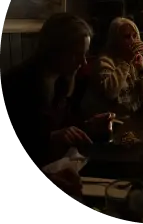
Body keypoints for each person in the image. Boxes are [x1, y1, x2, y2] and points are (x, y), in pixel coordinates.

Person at [0, 14, 114, 204]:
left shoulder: (62, 80)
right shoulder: (17, 85)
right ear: (54, 50)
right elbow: (12, 147)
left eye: (85, 54)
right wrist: (50, 138)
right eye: (76, 54)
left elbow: (61, 126)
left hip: (53, 173)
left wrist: (88, 125)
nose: (84, 62)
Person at [80, 17, 143, 119]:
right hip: (111, 121)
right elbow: (110, 93)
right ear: (116, 40)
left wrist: (142, 69)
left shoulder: (135, 60)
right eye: (127, 37)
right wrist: (126, 62)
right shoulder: (104, 61)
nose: (133, 41)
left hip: (132, 118)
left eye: (134, 36)